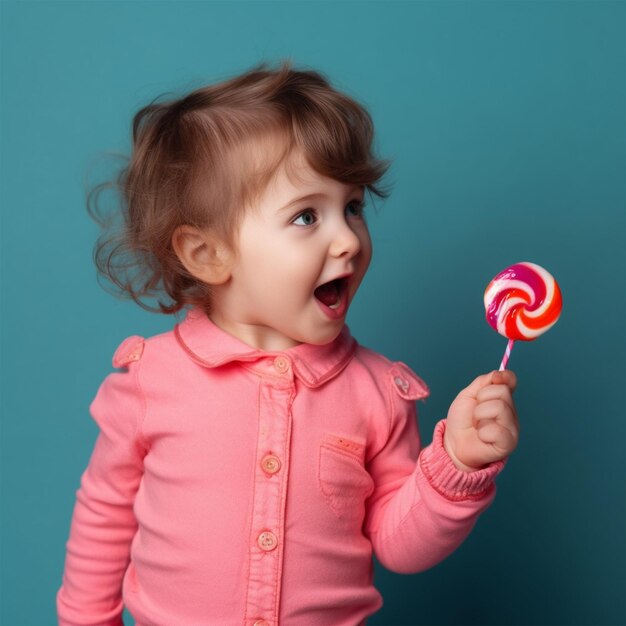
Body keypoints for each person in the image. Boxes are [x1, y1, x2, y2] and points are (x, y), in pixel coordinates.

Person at [57, 61, 519, 626]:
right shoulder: (153, 381)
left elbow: (400, 546)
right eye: (306, 216)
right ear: (207, 254)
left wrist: (456, 464)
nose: (348, 238)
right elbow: (103, 517)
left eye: (352, 207)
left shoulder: (378, 392)